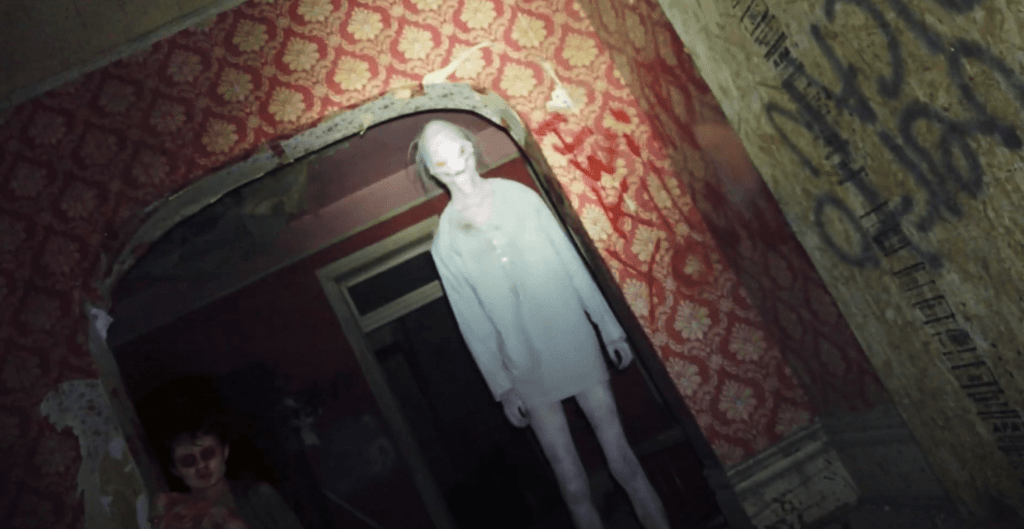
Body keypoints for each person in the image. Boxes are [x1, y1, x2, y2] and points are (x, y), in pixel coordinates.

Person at [414, 120, 671, 529]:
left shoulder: (521, 198)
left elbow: (571, 263)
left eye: (456, 147)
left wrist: (609, 329)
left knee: (622, 459)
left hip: (573, 340)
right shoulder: (447, 239)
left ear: (470, 146)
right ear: (431, 168)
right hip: (524, 366)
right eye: (439, 157)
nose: (454, 162)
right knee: (571, 482)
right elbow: (471, 320)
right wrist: (502, 387)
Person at [148, 404, 306, 529]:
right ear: (175, 469)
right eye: (188, 461)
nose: (201, 466)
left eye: (208, 454)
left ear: (224, 452)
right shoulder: (178, 514)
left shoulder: (257, 495)